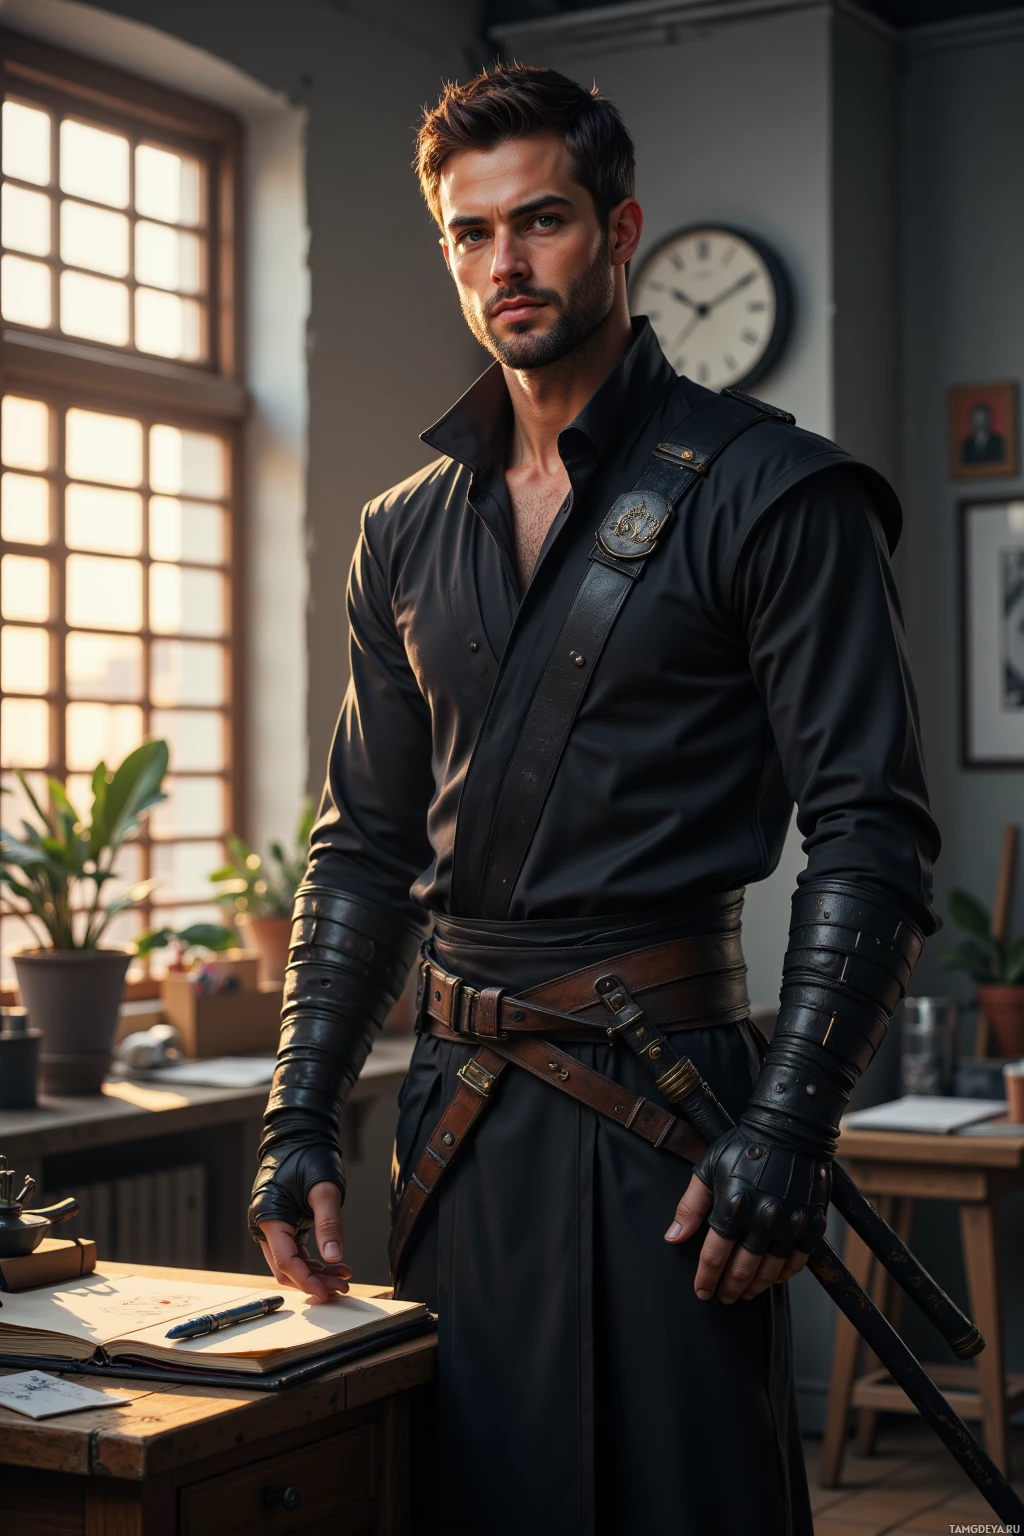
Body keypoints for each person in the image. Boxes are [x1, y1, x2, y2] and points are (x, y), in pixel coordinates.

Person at [247, 63, 939, 1536]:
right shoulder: (400, 536)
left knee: (687, 1503)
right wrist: (297, 1114)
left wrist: (793, 1125)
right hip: (457, 1123)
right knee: (475, 1498)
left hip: (669, 1113)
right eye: (471, 232)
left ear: (619, 230)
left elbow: (870, 833)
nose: (505, 261)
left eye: (542, 220)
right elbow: (363, 849)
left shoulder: (777, 493)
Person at [962, 400, 1006, 466]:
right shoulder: (967, 443)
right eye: (977, 420)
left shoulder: (998, 441)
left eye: (982, 420)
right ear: (972, 421)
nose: (980, 424)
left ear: (988, 420)